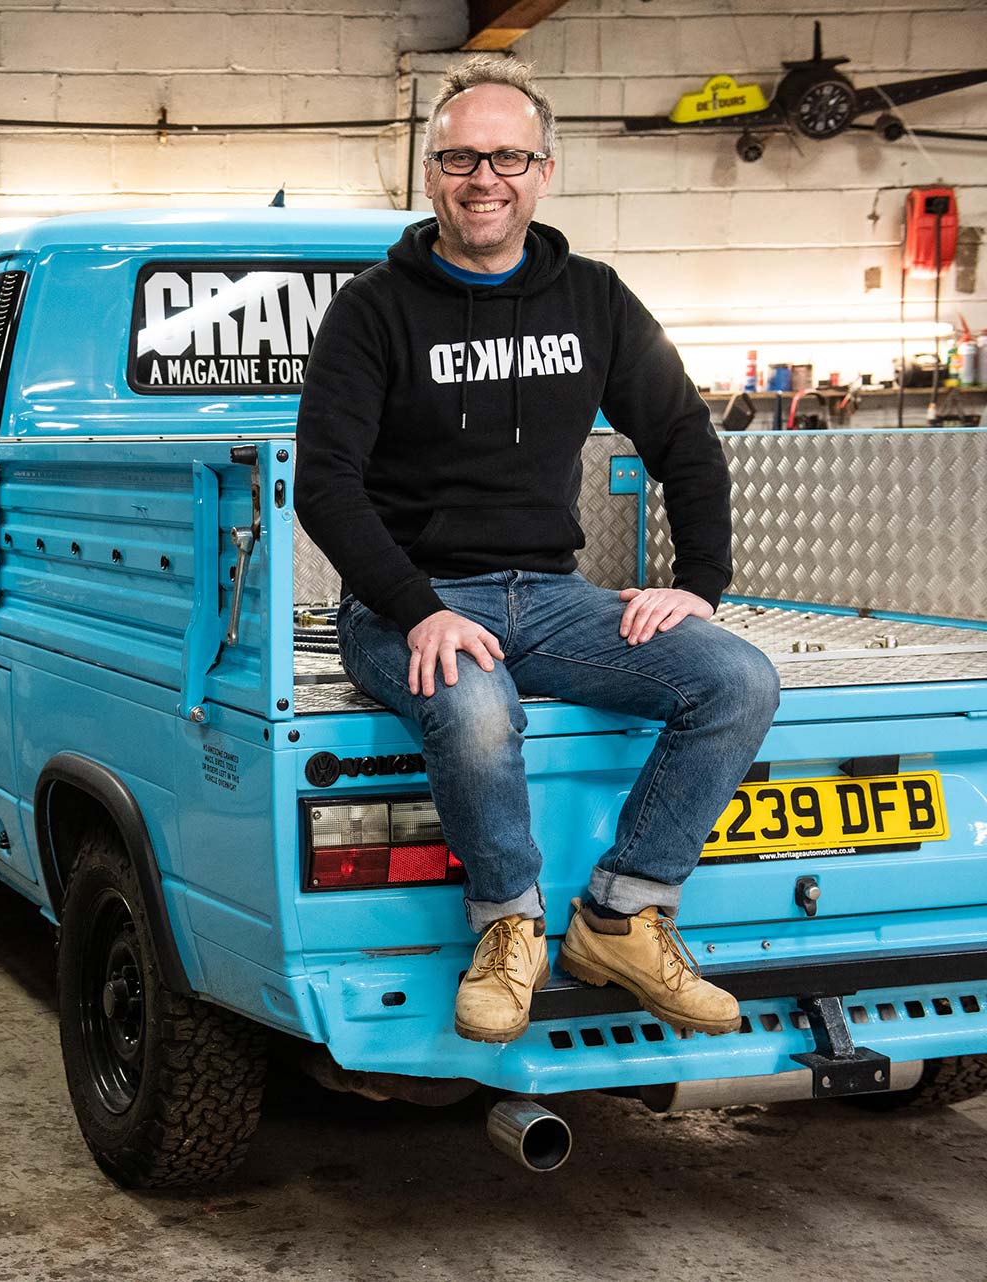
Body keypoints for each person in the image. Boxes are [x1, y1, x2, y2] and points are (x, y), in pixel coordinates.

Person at [293, 55, 781, 1045]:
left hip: (551, 597)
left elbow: (683, 437)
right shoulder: (373, 309)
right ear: (431, 173)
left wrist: (700, 584)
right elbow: (326, 485)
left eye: (508, 157)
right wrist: (419, 608)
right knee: (477, 707)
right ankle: (509, 926)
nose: (485, 179)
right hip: (406, 603)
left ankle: (623, 915)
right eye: (462, 159)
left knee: (737, 680)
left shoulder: (594, 299)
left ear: (544, 172)